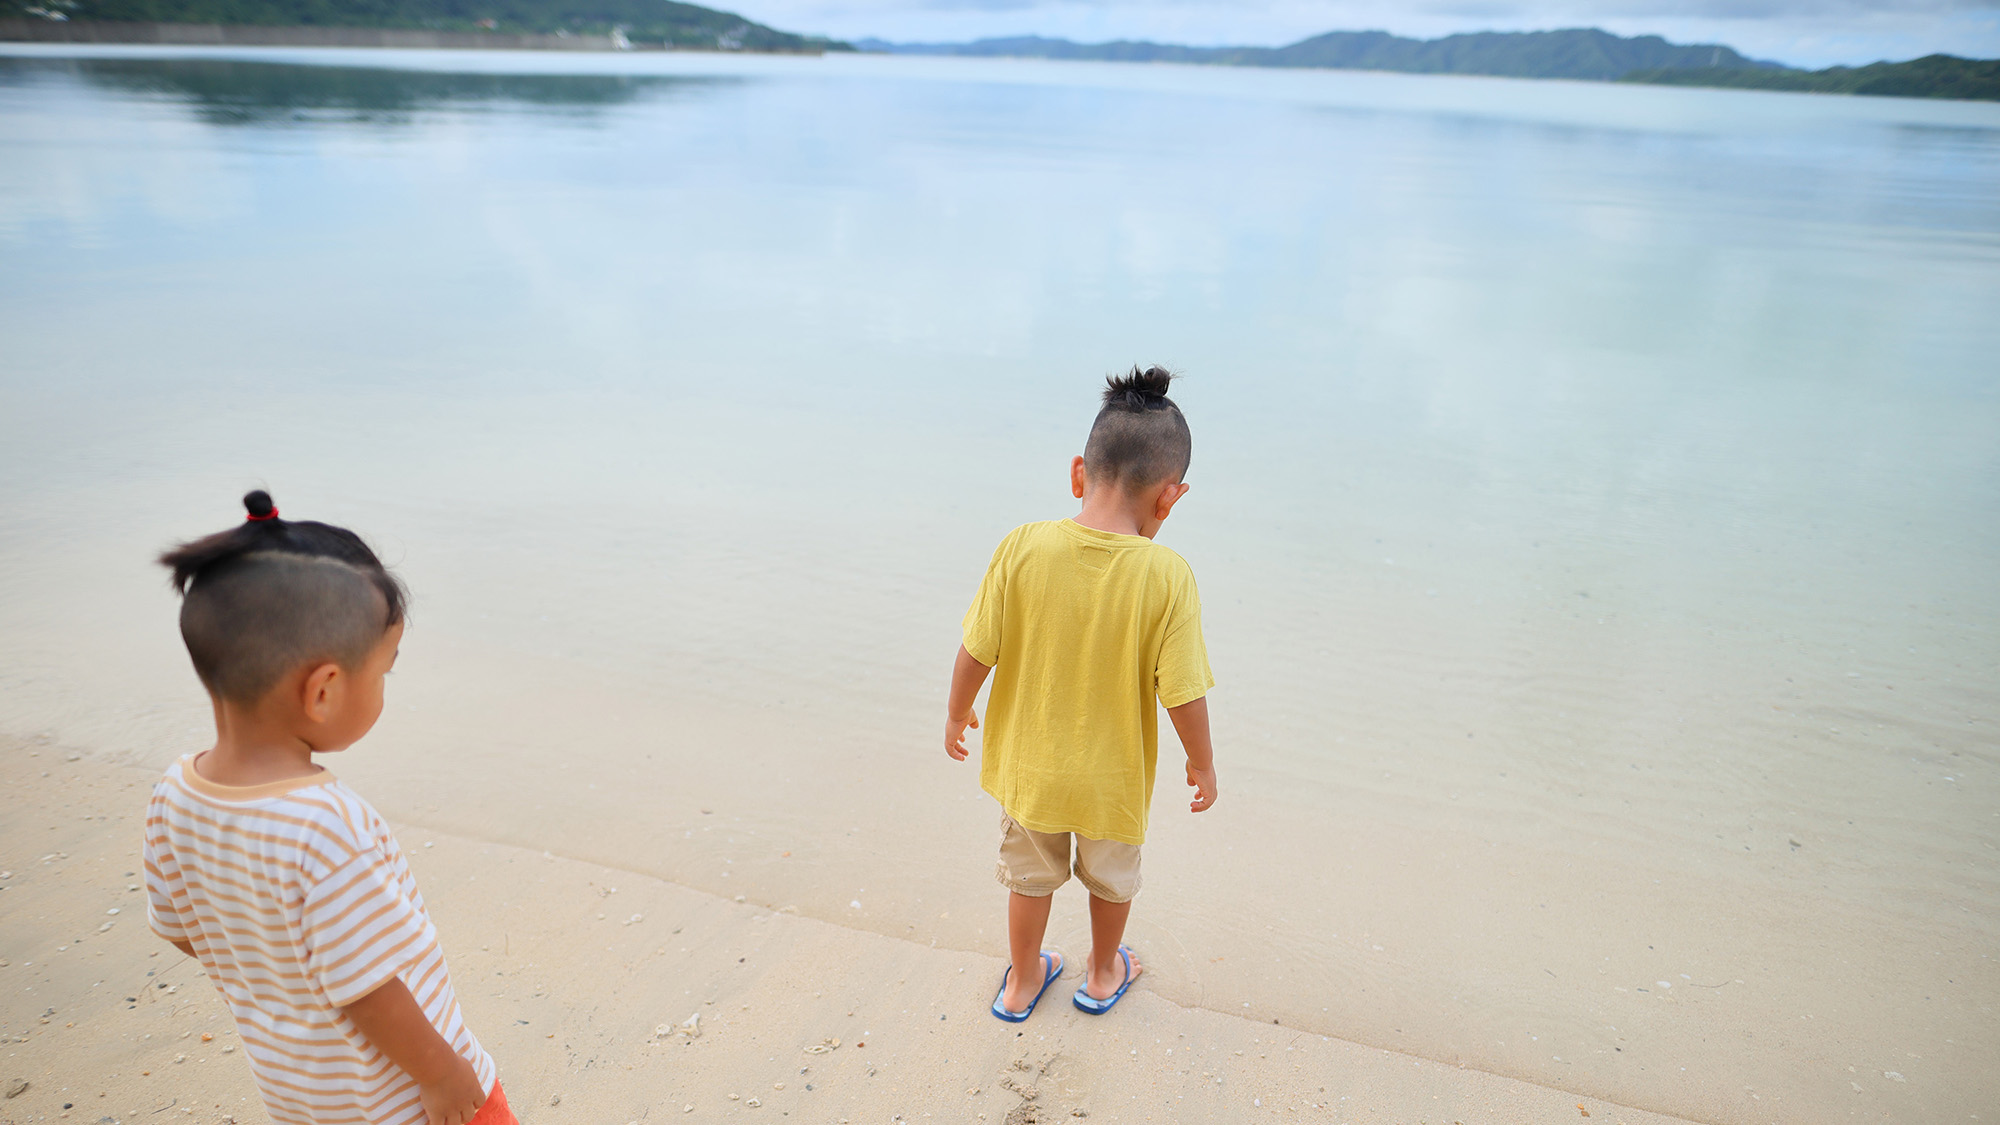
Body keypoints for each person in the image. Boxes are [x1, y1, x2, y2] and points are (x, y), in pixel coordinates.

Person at [143, 491, 513, 1125]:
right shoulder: (328, 827)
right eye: (383, 672)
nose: (384, 689)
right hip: (405, 1099)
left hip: (301, 1098)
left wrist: (280, 973)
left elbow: (183, 928)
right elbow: (367, 988)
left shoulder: (174, 795)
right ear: (323, 691)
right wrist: (442, 1073)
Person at [946, 366, 1218, 1022]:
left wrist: (957, 712)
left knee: (1029, 878)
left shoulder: (1023, 545)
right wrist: (1202, 762)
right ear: (1170, 498)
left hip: (1031, 769)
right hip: (1111, 781)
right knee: (1111, 880)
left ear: (1078, 473)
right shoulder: (1168, 575)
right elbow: (1182, 691)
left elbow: (977, 648)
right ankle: (1100, 975)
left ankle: (1021, 983)